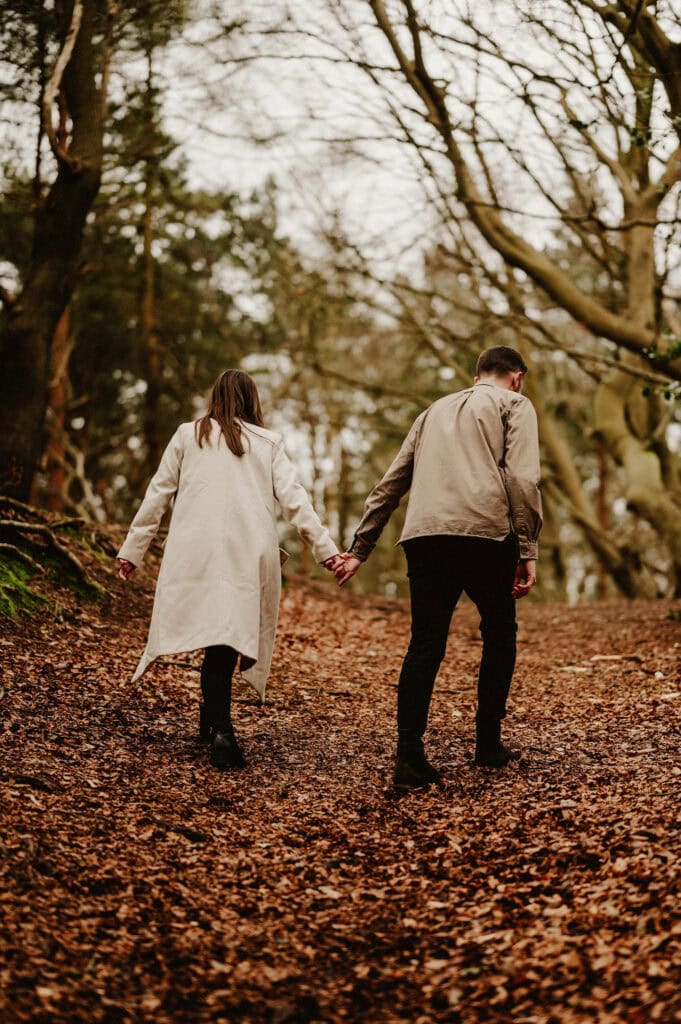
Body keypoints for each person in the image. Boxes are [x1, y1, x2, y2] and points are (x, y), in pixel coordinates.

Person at [335, 346, 542, 789]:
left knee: (425, 642)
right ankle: (488, 745)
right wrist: (527, 549)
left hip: (425, 536)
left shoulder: (432, 411)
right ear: (517, 377)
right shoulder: (515, 405)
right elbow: (523, 479)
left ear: (476, 376)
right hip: (486, 534)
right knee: (499, 632)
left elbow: (392, 482)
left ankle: (409, 755)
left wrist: (360, 548)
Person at [116, 369, 342, 770]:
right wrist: (327, 551)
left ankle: (212, 721)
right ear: (252, 399)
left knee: (218, 635)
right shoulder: (266, 441)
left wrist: (132, 550)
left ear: (215, 396)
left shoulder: (189, 434)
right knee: (223, 637)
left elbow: (158, 493)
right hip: (245, 554)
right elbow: (295, 502)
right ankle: (221, 731)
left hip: (194, 551)